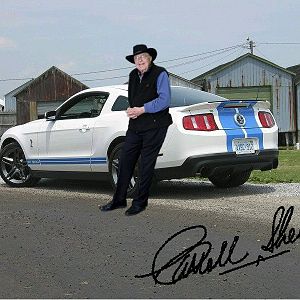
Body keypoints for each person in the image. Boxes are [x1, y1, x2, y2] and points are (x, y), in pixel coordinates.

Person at [100, 44, 172, 216]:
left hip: (156, 125)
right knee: (125, 161)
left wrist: (142, 109)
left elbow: (165, 100)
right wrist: (132, 110)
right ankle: (119, 200)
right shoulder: (133, 75)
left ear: (150, 58)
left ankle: (140, 202)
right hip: (136, 125)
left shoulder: (160, 73)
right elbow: (134, 98)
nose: (139, 60)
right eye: (136, 57)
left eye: (143, 56)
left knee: (146, 164)